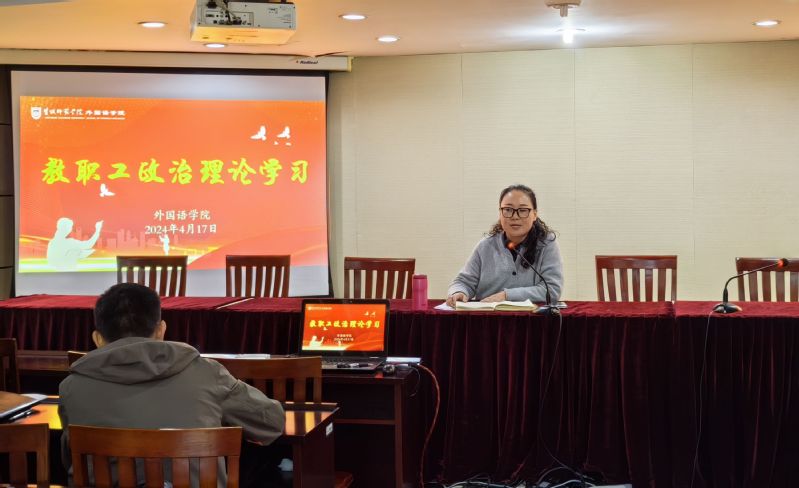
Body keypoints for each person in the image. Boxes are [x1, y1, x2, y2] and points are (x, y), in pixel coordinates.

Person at [58, 282, 285, 487]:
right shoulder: (207, 374)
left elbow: (71, 460)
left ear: (98, 339)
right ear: (161, 330)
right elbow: (272, 423)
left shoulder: (71, 388)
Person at [446, 184, 563, 306]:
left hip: (531, 317)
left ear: (534, 214)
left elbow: (552, 290)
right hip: (488, 315)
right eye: (508, 210)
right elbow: (463, 282)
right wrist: (459, 292)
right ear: (500, 213)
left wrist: (506, 296)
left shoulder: (546, 244)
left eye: (523, 210)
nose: (515, 216)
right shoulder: (486, 245)